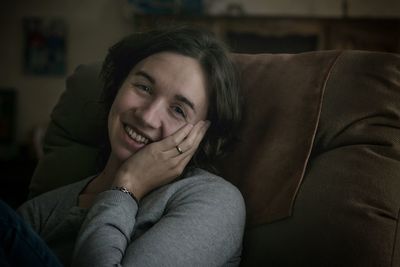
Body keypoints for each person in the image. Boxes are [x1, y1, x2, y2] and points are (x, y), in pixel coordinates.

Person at [16, 26, 245, 266]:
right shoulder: (40, 210)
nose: (147, 116)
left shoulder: (213, 201)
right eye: (144, 87)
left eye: (178, 110)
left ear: (202, 135)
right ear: (118, 87)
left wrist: (127, 185)